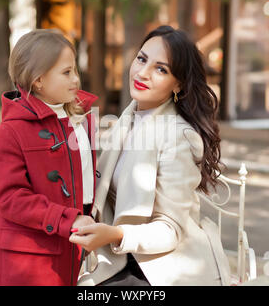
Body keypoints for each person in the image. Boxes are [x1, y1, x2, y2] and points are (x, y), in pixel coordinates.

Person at [71, 25, 231, 286]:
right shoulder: (131, 115)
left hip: (163, 270)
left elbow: (169, 231)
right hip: (121, 259)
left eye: (161, 69)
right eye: (142, 59)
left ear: (178, 83)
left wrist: (113, 234)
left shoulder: (179, 135)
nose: (143, 73)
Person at [0, 29, 98, 286]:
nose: (76, 80)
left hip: (76, 245)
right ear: (38, 80)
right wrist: (68, 219)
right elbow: (11, 198)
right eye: (66, 73)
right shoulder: (10, 131)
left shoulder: (83, 119)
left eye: (75, 71)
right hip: (30, 261)